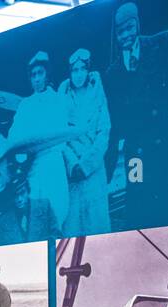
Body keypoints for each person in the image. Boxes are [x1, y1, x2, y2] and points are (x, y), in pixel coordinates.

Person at [104, 3, 168, 211]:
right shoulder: (112, 72)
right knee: (139, 200)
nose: (125, 35)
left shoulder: (161, 43)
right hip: (137, 152)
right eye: (120, 31)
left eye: (129, 28)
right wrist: (108, 164)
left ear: (138, 25)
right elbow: (114, 120)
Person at [9, 52, 70, 238]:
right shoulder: (25, 105)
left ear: (47, 74)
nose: (36, 79)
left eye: (40, 73)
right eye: (33, 75)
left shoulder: (58, 99)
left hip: (54, 163)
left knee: (58, 212)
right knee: (36, 218)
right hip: (34, 168)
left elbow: (63, 131)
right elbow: (14, 137)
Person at [59, 49, 112, 236]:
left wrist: (87, 164)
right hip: (72, 172)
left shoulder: (97, 94)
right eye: (74, 70)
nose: (78, 74)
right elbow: (59, 136)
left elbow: (104, 132)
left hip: (94, 169)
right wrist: (73, 164)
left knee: (96, 223)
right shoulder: (63, 97)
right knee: (73, 225)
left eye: (82, 69)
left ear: (88, 70)